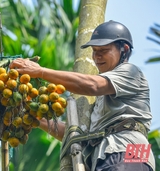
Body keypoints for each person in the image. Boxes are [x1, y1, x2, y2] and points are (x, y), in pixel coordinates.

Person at [9, 20, 155, 171]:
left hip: (130, 152)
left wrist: (40, 72)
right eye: (94, 51)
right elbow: (76, 134)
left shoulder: (131, 73)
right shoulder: (103, 101)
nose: (97, 56)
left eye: (103, 50)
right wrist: (33, 117)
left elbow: (93, 85)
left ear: (124, 49)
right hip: (107, 157)